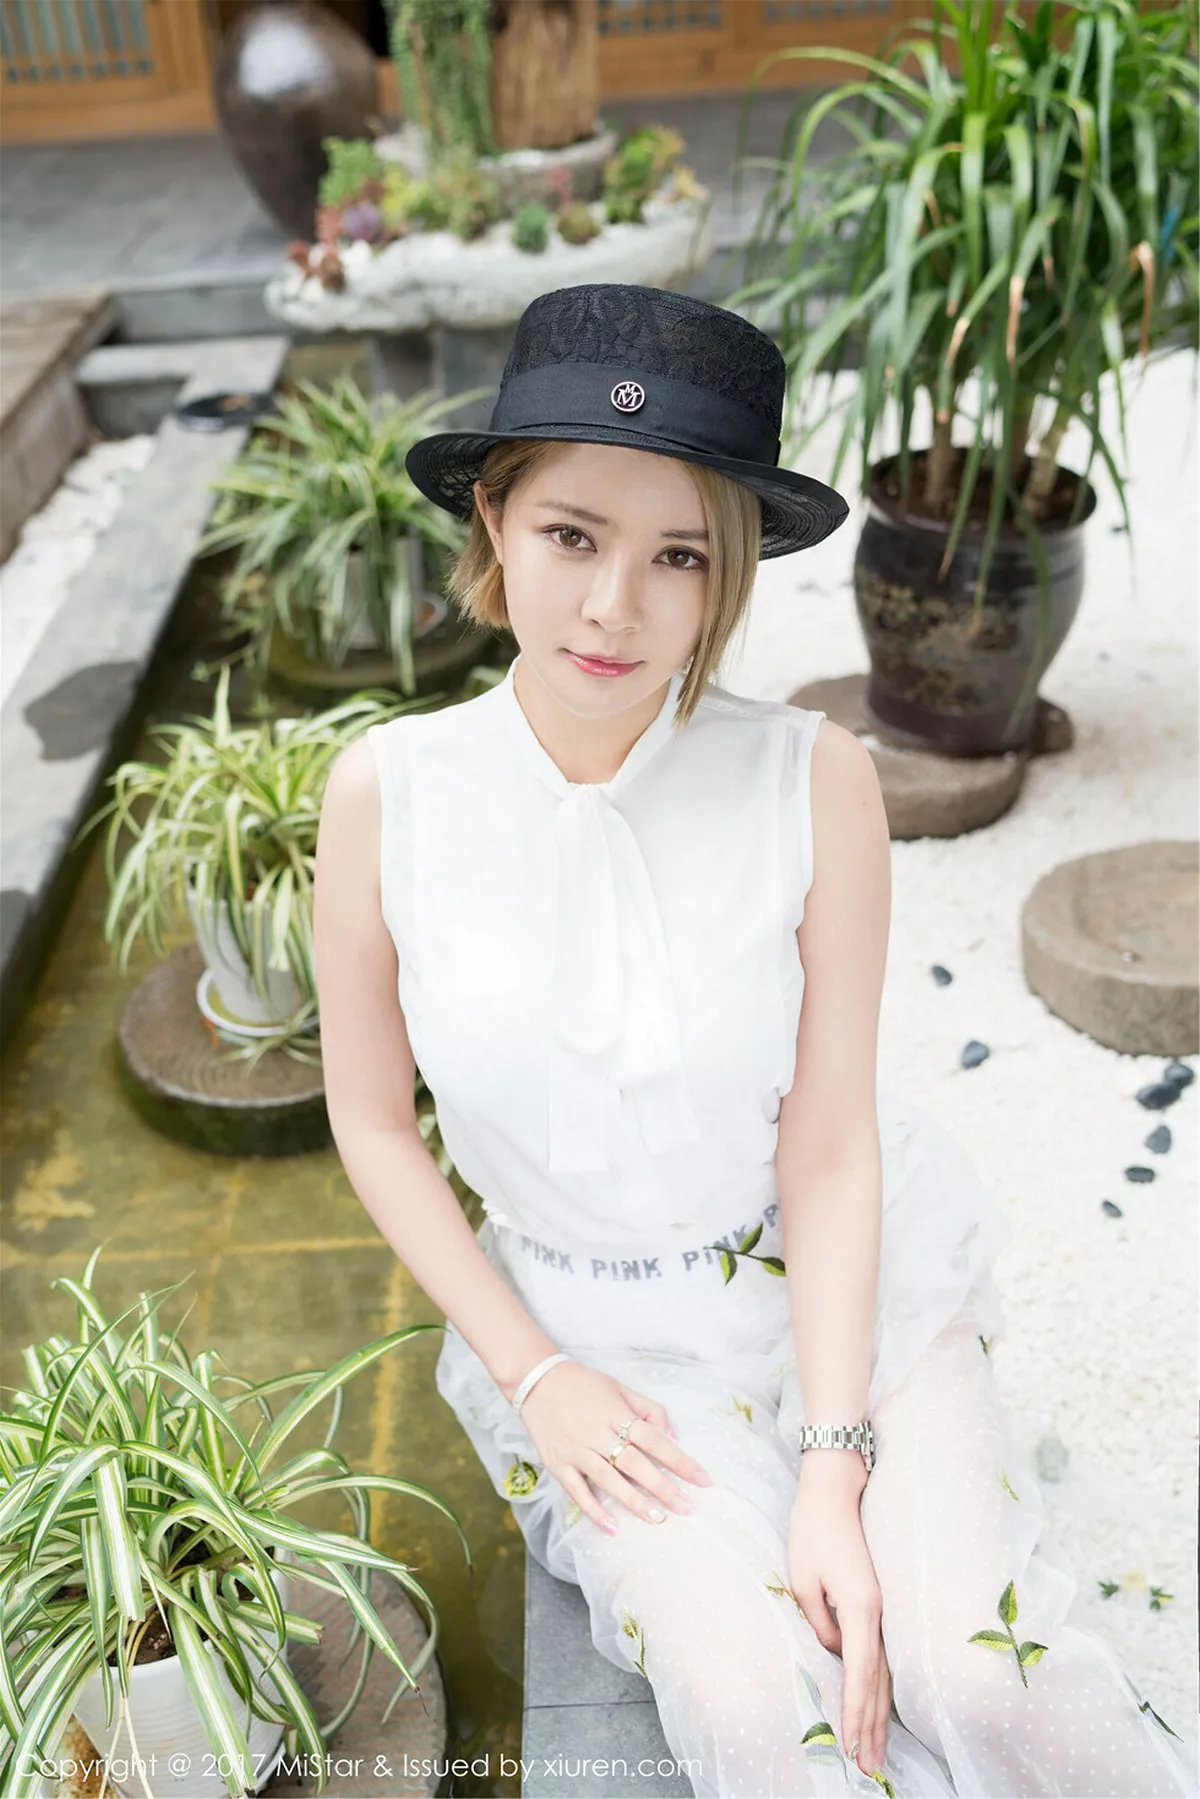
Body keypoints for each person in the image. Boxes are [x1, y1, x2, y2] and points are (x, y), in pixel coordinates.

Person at [313, 284, 1195, 1797]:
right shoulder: (387, 795)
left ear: (728, 575)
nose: (615, 606)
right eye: (572, 535)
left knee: (980, 1678)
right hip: (586, 1341)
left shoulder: (815, 777)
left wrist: (834, 1469)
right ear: (495, 521)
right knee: (764, 1722)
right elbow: (377, 1123)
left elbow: (834, 1146)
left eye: (679, 556)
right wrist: (537, 1374)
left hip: (846, 1290)